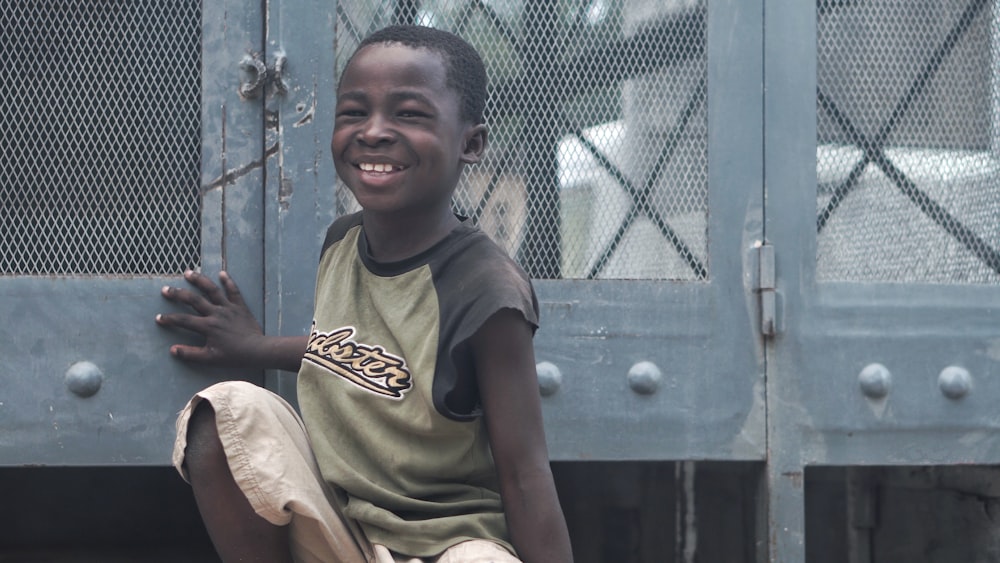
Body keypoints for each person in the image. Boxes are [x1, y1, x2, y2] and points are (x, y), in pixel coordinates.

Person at [156, 24, 573, 563]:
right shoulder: (343, 241)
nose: (374, 132)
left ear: (471, 143)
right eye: (354, 112)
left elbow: (524, 475)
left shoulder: (486, 291)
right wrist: (252, 347)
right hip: (345, 525)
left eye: (409, 114)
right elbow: (352, 354)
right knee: (226, 412)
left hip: (445, 544)